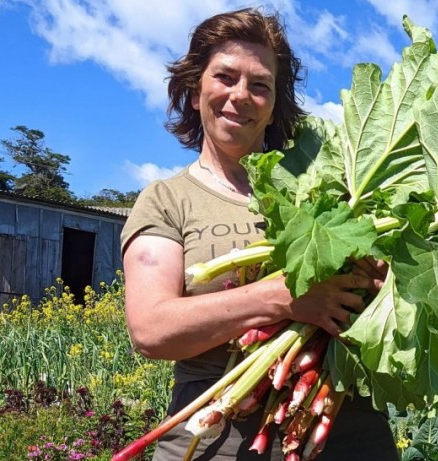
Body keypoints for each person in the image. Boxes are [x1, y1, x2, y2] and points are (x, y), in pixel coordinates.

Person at [120, 8, 399, 461]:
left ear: (273, 108)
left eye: (260, 85)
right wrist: (282, 299)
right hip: (215, 443)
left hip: (351, 435)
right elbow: (150, 330)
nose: (240, 95)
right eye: (225, 77)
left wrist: (383, 282)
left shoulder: (330, 190)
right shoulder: (168, 199)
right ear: (195, 91)